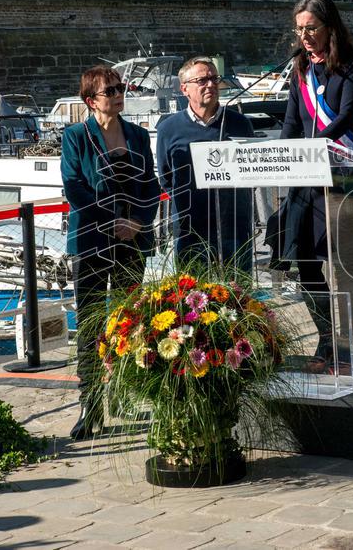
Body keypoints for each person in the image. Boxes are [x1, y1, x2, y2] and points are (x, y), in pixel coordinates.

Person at [278, 0, 353, 366]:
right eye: (299, 30)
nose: (305, 36)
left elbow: (346, 117)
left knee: (343, 260)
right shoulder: (300, 68)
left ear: (330, 26)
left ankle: (345, 342)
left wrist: (314, 147)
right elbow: (292, 121)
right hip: (306, 177)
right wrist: (285, 156)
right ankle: (326, 338)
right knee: (304, 259)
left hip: (343, 176)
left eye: (311, 28)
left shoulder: (352, 65)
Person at [62, 65, 160, 440]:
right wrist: (111, 221)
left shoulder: (137, 134)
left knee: (127, 321)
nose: (119, 94)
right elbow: (74, 187)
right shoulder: (76, 136)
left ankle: (122, 390)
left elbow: (150, 184)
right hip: (91, 242)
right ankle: (90, 405)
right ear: (91, 100)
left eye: (121, 88)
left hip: (132, 241)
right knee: (89, 326)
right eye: (110, 90)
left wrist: (135, 222)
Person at [156, 56, 255, 270]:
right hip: (190, 229)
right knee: (192, 296)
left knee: (241, 298)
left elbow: (252, 172)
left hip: (235, 227)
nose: (210, 84)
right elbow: (166, 178)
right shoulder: (168, 129)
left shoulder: (240, 124)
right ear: (185, 89)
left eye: (213, 79)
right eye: (202, 80)